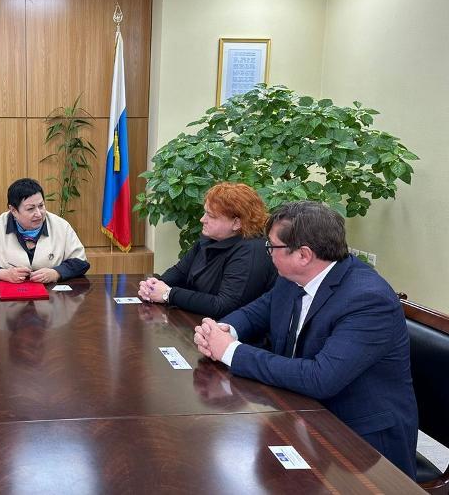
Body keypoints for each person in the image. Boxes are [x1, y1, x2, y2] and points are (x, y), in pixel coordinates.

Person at [193, 201, 418, 479]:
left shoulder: (367, 299)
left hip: (360, 446)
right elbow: (256, 312)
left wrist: (231, 352)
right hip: (301, 410)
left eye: (272, 246)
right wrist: (222, 330)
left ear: (303, 255)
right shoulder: (292, 278)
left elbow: (320, 378)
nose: (267, 252)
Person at [138, 182, 277, 318]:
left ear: (236, 223)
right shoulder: (210, 239)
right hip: (196, 322)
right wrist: (152, 286)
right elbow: (180, 272)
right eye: (205, 212)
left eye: (211, 216)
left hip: (228, 330)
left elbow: (224, 306)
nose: (202, 219)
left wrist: (168, 294)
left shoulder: (251, 251)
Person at [0, 178, 89, 284]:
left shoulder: (61, 226)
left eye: (41, 206)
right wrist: (3, 274)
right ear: (13, 210)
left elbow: (81, 262)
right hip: (8, 299)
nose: (39, 214)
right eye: (30, 209)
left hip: (52, 297)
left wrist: (56, 273)